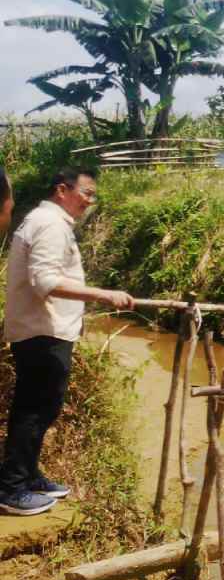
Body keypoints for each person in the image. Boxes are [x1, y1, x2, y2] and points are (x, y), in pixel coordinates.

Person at [1, 168, 134, 516]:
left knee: (44, 406)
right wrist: (104, 295)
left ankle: (28, 475)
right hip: (41, 330)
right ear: (62, 189)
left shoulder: (50, 221)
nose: (90, 202)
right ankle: (11, 488)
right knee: (34, 408)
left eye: (93, 196)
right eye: (87, 193)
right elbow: (45, 280)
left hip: (47, 328)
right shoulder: (49, 224)